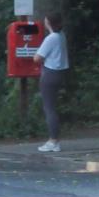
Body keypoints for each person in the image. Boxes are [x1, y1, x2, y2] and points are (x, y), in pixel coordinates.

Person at [34, 13, 69, 153]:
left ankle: (53, 141)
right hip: (59, 73)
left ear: (48, 23)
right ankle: (54, 140)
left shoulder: (51, 38)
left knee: (49, 108)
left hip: (49, 73)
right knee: (52, 107)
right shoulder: (61, 36)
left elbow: (37, 58)